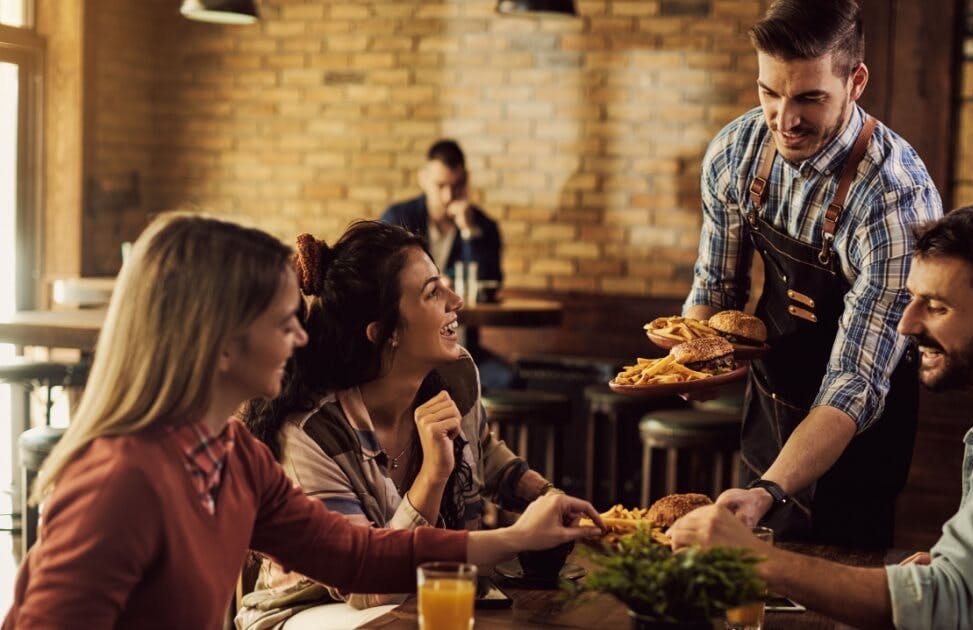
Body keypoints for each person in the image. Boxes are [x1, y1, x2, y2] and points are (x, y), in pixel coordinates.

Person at [2, 214, 602, 630]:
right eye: (282, 320)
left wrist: (519, 537)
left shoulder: (233, 456)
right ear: (220, 345)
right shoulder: (121, 483)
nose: (300, 336)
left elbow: (359, 555)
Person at [670, 204, 973, 628]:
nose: (908, 325)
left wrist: (757, 559)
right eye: (911, 299)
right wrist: (972, 566)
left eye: (935, 306)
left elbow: (945, 605)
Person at [684, 0, 943, 546]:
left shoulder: (896, 201)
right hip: (769, 413)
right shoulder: (737, 152)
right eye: (769, 93)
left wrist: (769, 491)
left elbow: (854, 382)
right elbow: (716, 289)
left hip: (855, 447)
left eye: (809, 98)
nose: (784, 119)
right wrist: (696, 364)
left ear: (856, 82)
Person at [237, 221, 564, 628]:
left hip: (420, 592)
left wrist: (546, 497)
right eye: (432, 293)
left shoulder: (456, 373)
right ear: (383, 333)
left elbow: (483, 451)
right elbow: (371, 587)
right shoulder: (313, 435)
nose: (456, 300)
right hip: (308, 610)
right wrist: (433, 474)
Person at [381, 139, 510, 389]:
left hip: (462, 344)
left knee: (507, 380)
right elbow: (382, 282)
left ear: (467, 181)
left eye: (457, 185)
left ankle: (478, 429)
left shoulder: (483, 227)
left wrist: (469, 232)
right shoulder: (398, 219)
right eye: (440, 185)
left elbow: (488, 286)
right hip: (407, 347)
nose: (448, 196)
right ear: (423, 179)